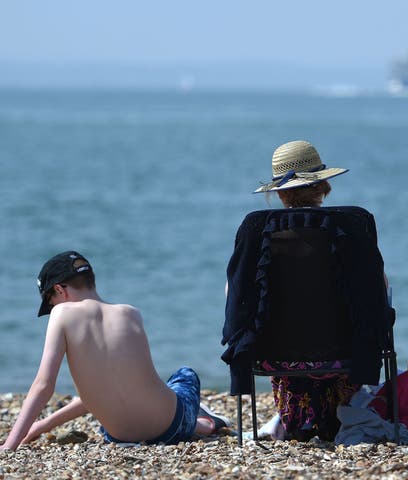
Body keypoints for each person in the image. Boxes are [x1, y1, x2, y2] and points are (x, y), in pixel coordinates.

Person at [0, 251, 228, 450]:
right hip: (170, 428)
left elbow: (44, 385)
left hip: (119, 436)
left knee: (172, 383)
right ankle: (204, 423)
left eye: (50, 302)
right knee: (185, 374)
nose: (53, 309)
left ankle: (202, 423)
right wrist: (43, 425)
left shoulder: (63, 314)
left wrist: (11, 444)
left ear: (60, 289)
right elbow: (131, 385)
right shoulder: (131, 314)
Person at [241, 140, 387, 441]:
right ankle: (344, 410)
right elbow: (377, 293)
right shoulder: (352, 224)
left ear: (279, 192)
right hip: (345, 354)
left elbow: (238, 296)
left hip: (275, 355)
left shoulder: (258, 228)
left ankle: (294, 417)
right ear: (322, 185)